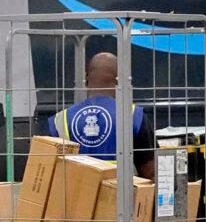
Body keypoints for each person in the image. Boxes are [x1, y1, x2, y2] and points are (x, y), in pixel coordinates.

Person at [48, 51, 156, 179]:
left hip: (75, 190)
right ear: (119, 80)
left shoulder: (60, 120)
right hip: (121, 191)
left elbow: (48, 170)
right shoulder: (134, 116)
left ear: (86, 78)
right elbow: (150, 171)